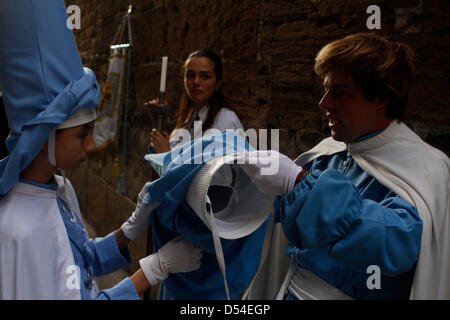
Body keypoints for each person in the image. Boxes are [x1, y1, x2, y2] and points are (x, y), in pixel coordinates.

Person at [0, 0, 202, 300]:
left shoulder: (61, 188)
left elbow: (82, 259)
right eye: (83, 134)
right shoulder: (21, 230)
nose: (92, 145)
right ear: (44, 136)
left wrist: (131, 228)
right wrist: (153, 271)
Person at [242, 33, 449, 299]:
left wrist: (298, 184)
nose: (324, 102)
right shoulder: (327, 153)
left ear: (381, 97)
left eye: (338, 92)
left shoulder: (426, 168)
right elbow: (280, 214)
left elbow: (395, 245)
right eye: (325, 89)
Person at [149, 49, 244, 153]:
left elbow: (206, 167)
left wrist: (165, 154)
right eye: (190, 75)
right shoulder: (189, 119)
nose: (196, 82)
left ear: (218, 83)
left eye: (205, 76)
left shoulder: (225, 119)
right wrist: (159, 125)